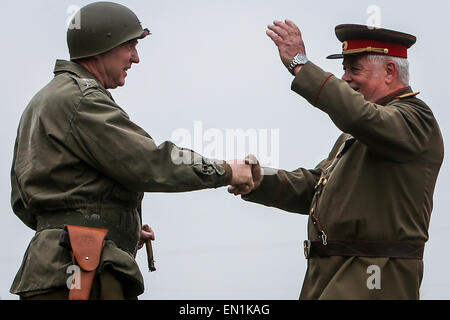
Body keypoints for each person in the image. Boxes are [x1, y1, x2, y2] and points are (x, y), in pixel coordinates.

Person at [10, 2, 255, 300]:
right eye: (130, 46)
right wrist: (227, 170)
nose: (136, 58)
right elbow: (151, 163)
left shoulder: (45, 100)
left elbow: (26, 202)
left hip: (53, 268)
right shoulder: (82, 99)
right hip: (83, 273)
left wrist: (112, 223)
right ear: (104, 44)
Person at [230, 20, 444, 299]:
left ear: (390, 71)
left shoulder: (415, 120)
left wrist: (301, 65)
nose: (345, 77)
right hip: (334, 275)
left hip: (375, 277)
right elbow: (315, 188)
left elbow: (359, 115)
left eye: (355, 69)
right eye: (344, 69)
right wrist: (259, 180)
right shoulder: (359, 133)